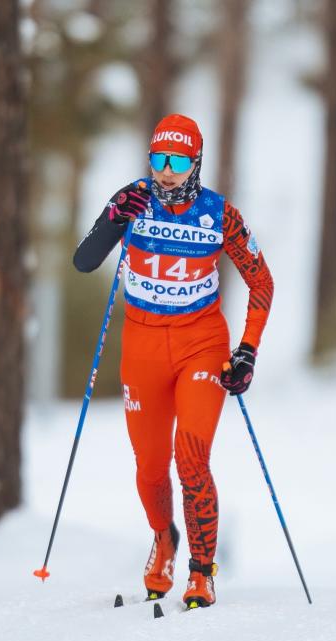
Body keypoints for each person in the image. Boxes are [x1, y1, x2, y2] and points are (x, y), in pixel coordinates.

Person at [72, 114, 274, 608]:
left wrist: (246, 350)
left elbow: (261, 283)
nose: (165, 171)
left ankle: (201, 571)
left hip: (200, 344)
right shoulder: (134, 200)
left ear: (195, 163)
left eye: (177, 161)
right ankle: (164, 539)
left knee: (191, 457)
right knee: (149, 468)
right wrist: (113, 217)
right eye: (158, 159)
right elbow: (84, 261)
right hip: (142, 346)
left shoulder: (218, 215)